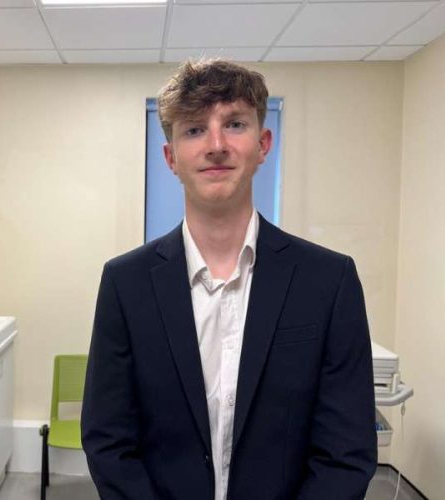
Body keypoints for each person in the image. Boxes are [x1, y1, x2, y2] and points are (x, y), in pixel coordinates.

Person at [81, 59, 377, 500]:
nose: (216, 145)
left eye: (235, 124)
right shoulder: (125, 284)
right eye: (194, 129)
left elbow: (346, 453)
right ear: (171, 157)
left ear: (263, 144)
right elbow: (108, 440)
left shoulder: (329, 281)